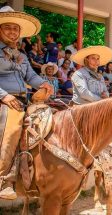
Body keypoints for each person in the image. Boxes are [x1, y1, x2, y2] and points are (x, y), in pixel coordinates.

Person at [0, 6, 53, 199]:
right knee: (13, 124)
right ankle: (3, 179)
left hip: (22, 99)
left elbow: (31, 76)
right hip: (4, 99)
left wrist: (45, 84)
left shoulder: (21, 55)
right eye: (7, 27)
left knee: (49, 119)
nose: (12, 32)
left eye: (16, 28)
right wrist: (3, 95)